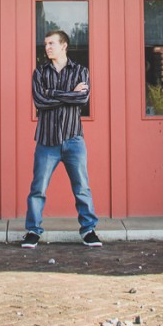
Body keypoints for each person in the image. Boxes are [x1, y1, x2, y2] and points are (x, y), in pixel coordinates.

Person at [21, 29, 102, 248]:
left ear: (64, 45)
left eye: (51, 43)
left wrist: (52, 93)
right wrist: (68, 94)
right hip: (47, 141)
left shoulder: (80, 71)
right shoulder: (39, 73)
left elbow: (82, 98)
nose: (47, 47)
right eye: (45, 43)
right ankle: (33, 231)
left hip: (73, 139)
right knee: (38, 189)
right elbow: (40, 102)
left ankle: (88, 230)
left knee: (82, 187)